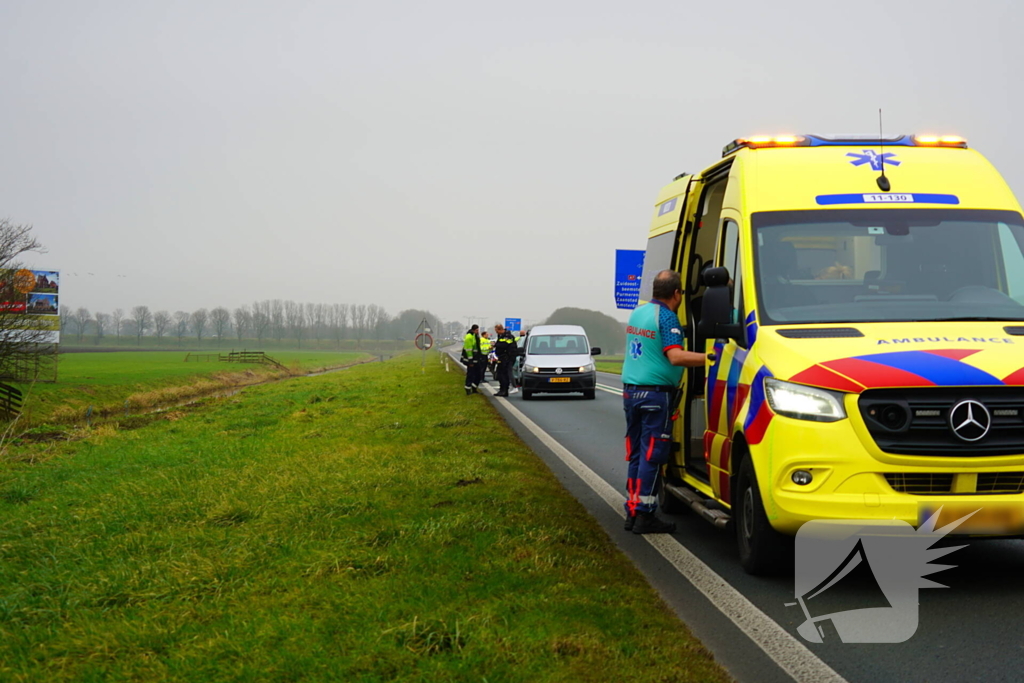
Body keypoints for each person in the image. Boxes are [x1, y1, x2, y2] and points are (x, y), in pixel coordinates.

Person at [622, 269, 708, 534]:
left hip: (631, 392)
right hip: (655, 395)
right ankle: (646, 515)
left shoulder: (638, 313)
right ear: (677, 293)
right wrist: (714, 357)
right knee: (653, 455)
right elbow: (676, 357)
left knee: (636, 453)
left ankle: (633, 509)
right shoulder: (668, 317)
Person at [492, 323, 518, 397]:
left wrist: (495, 345)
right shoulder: (501, 336)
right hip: (502, 357)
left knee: (503, 374)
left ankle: (504, 390)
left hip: (507, 358)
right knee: (500, 374)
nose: (496, 332)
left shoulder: (508, 336)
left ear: (500, 329)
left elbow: (504, 345)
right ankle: (502, 390)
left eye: (496, 330)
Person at [462, 324, 483, 394]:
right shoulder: (469, 337)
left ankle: (474, 387)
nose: (478, 331)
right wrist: (470, 361)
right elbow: (469, 350)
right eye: (477, 330)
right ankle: (468, 389)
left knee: (478, 374)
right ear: (473, 330)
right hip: (471, 359)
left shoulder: (474, 336)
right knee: (470, 374)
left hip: (476, 359)